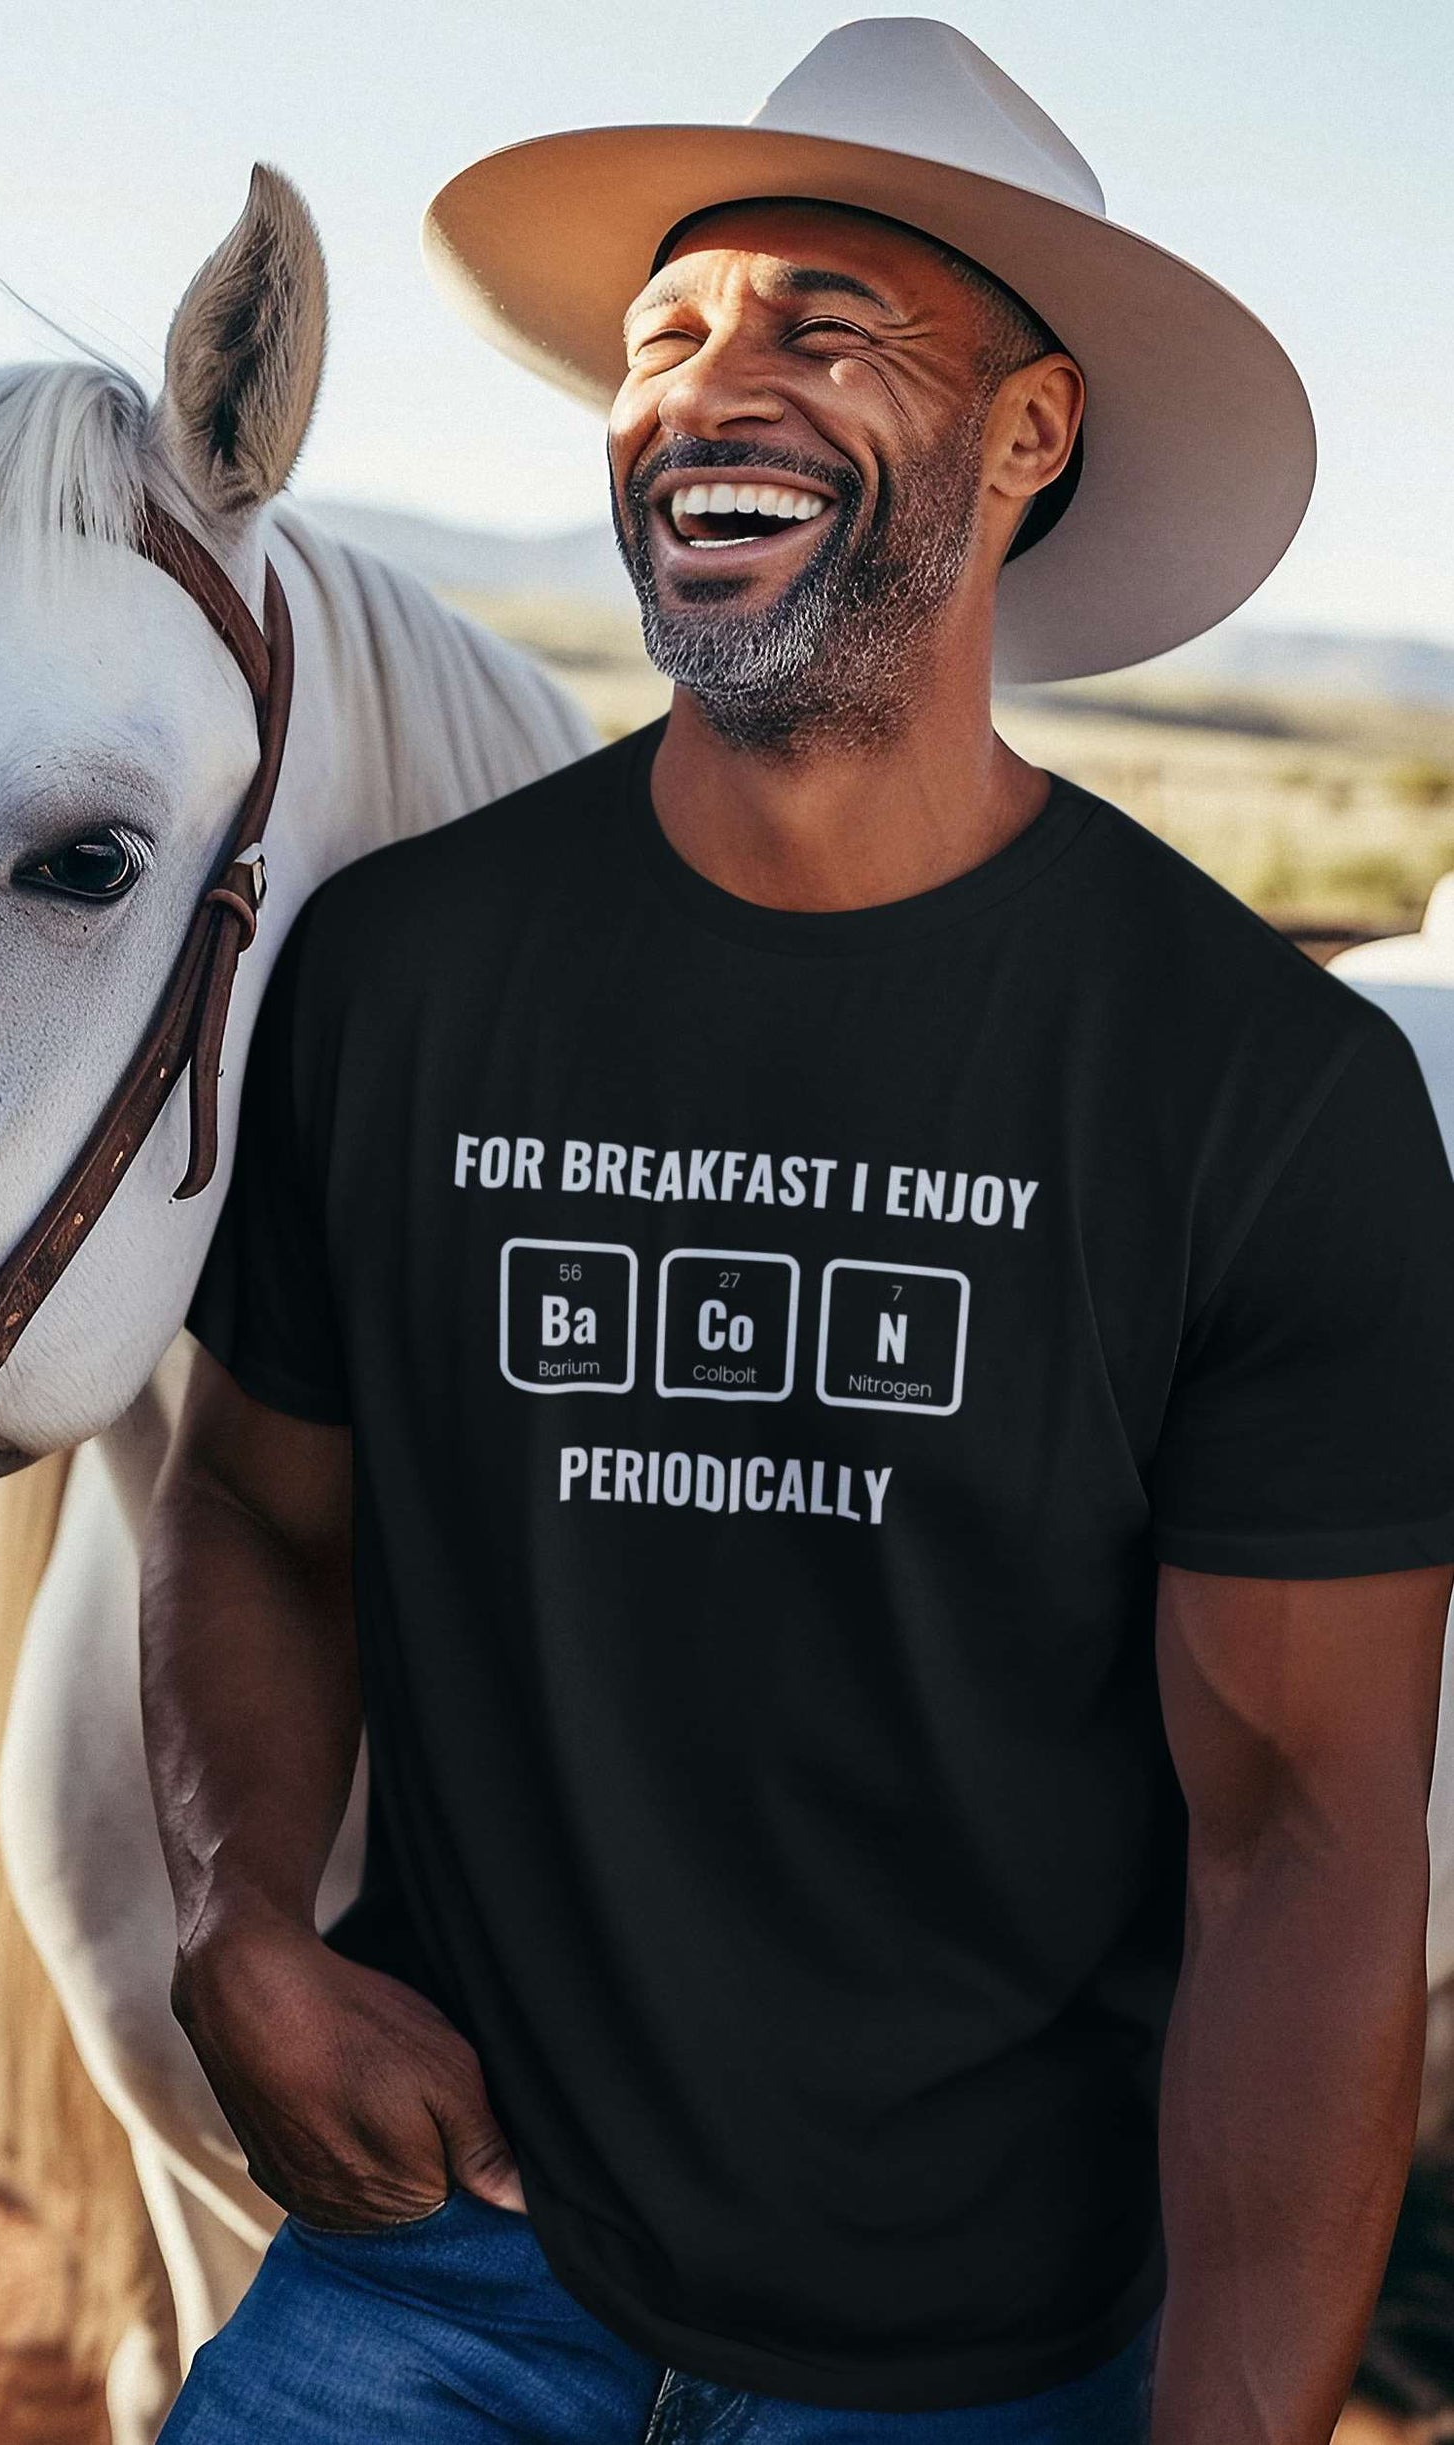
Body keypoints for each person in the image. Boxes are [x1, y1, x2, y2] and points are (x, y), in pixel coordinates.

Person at [142, 19, 1454, 2441]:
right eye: (663, 340)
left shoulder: (1254, 1094)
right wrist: (232, 1908)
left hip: (985, 2369)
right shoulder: (405, 977)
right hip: (435, 2292)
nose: (704, 391)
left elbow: (1308, 1844)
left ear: (1030, 433)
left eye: (824, 331)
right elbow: (245, 1493)